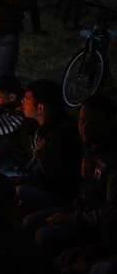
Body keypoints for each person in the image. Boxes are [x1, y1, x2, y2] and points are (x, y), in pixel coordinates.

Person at [32, 94, 116, 257]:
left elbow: (110, 212)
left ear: (110, 122)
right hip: (76, 208)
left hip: (97, 227)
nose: (85, 128)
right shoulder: (87, 148)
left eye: (93, 122)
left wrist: (72, 218)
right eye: (82, 121)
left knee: (43, 235)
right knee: (32, 221)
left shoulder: (110, 160)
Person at [14, 80, 82, 212]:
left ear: (40, 107)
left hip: (61, 197)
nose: (22, 101)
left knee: (17, 191)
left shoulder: (61, 136)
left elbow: (56, 180)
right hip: (38, 180)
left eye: (27, 98)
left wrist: (41, 158)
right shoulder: (38, 128)